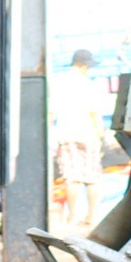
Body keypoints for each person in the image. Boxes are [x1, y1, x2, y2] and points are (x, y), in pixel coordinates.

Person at [52, 49, 106, 226]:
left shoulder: (59, 84)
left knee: (71, 177)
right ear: (84, 65)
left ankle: (72, 215)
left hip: (66, 135)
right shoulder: (89, 85)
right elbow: (95, 114)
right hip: (87, 134)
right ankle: (91, 216)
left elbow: (51, 112)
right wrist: (102, 136)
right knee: (92, 177)